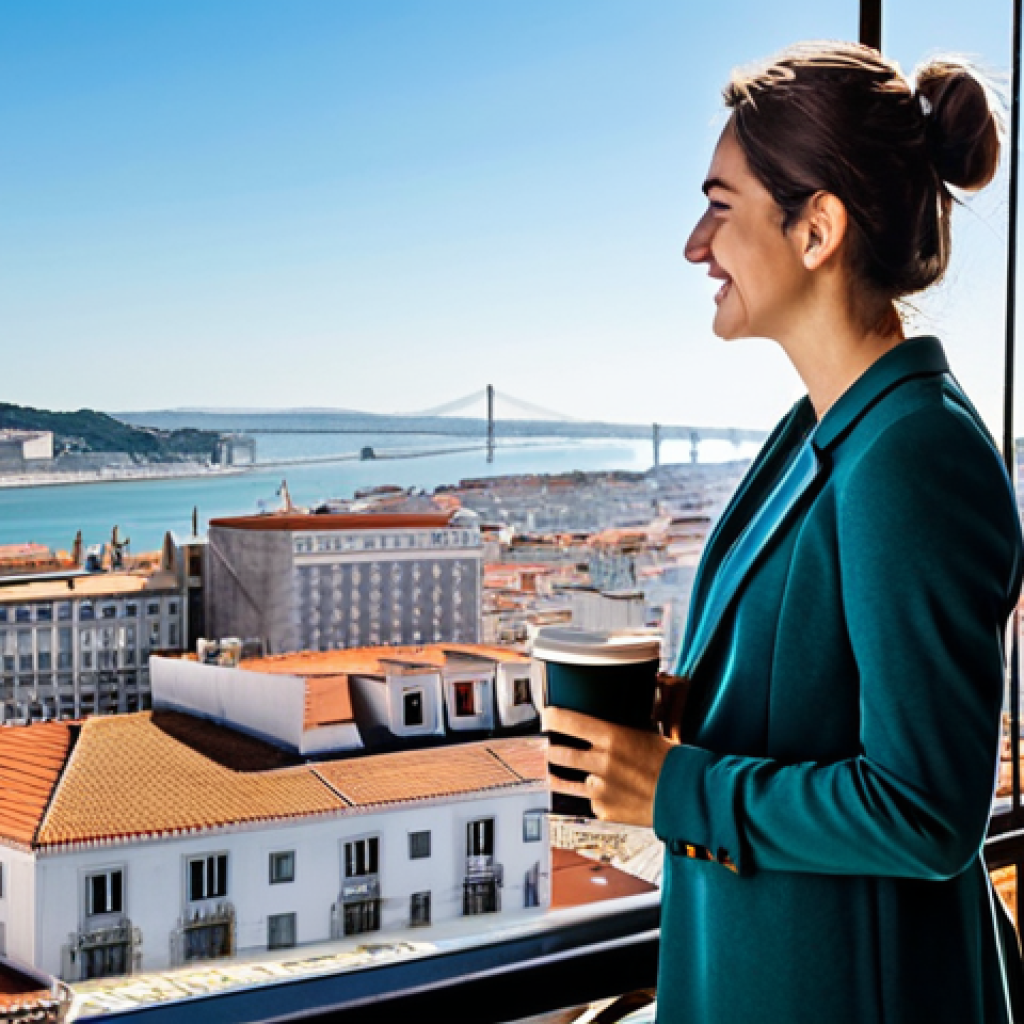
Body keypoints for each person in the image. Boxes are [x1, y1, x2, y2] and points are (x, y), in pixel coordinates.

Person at [543, 42, 1024, 1024]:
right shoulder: (818, 430)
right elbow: (813, 693)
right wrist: (692, 707)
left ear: (816, 229)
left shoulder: (912, 455)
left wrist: (675, 786)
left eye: (720, 206)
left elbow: (927, 811)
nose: (693, 244)